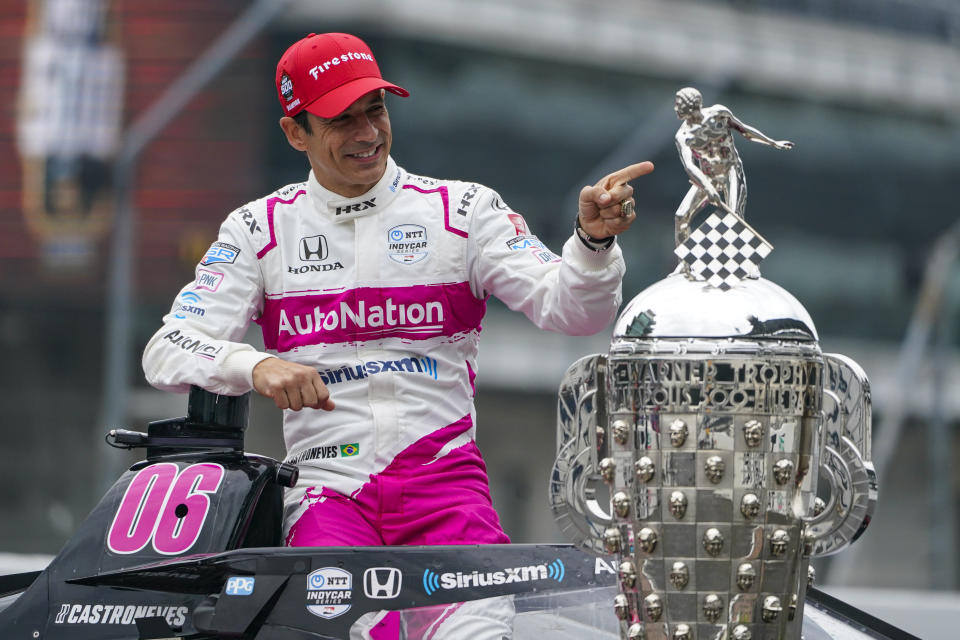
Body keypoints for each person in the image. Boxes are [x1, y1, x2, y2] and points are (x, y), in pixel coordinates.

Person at [142, 32, 653, 639]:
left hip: (447, 488)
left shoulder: (461, 210)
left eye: (376, 110)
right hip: (329, 496)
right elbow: (167, 349)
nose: (367, 134)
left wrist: (592, 246)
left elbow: (570, 309)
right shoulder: (259, 228)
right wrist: (254, 365)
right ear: (294, 132)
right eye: (341, 119)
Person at [673, 86, 792, 244]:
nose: (676, 108)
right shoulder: (683, 136)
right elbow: (689, 166)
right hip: (707, 177)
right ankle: (685, 265)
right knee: (681, 216)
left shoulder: (718, 114)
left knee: (734, 218)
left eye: (679, 104)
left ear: (691, 105)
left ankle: (740, 265)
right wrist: (707, 187)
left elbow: (744, 130)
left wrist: (772, 142)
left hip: (731, 170)